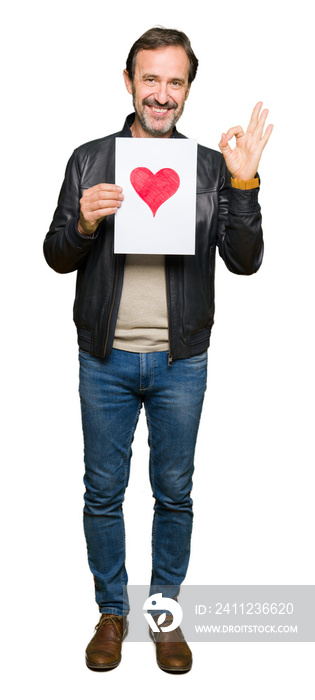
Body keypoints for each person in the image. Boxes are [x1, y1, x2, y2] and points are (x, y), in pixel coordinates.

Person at [44, 26, 273, 673]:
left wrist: (245, 183)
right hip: (104, 359)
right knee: (102, 492)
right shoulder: (89, 159)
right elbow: (56, 256)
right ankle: (111, 614)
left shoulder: (208, 168)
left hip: (181, 363)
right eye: (151, 79)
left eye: (175, 82)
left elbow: (245, 260)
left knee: (173, 493)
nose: (162, 94)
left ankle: (163, 614)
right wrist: (84, 222)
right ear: (129, 83)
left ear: (187, 90)